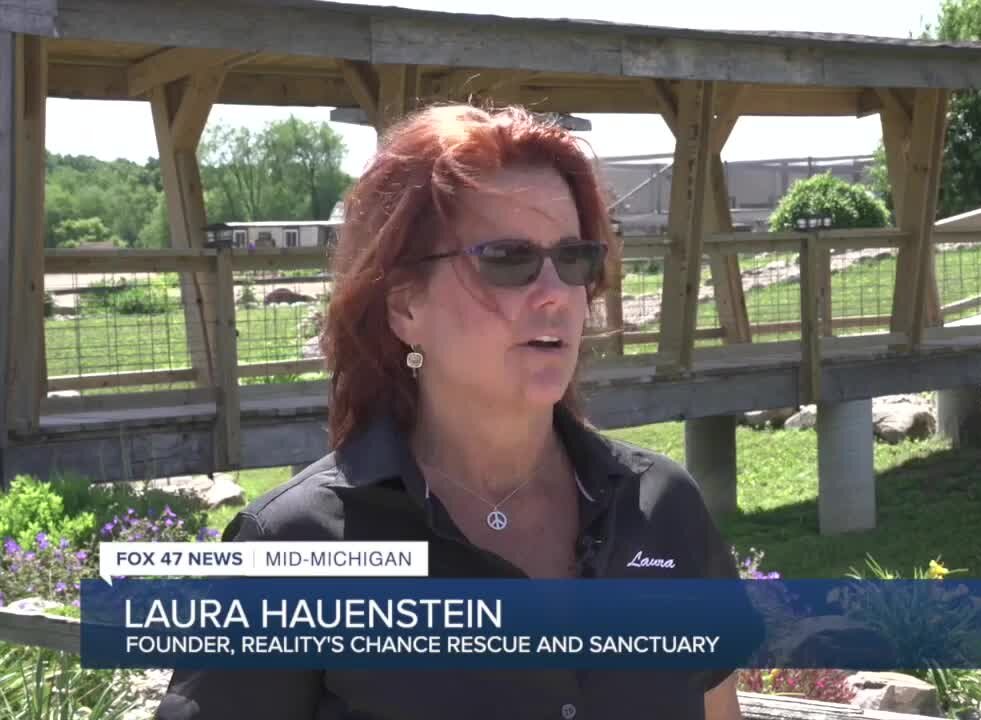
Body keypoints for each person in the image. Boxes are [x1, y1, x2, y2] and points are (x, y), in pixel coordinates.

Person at [157, 104, 745, 720]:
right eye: (506, 259)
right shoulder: (292, 549)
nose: (555, 295)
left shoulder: (662, 510)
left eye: (574, 258)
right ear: (404, 306)